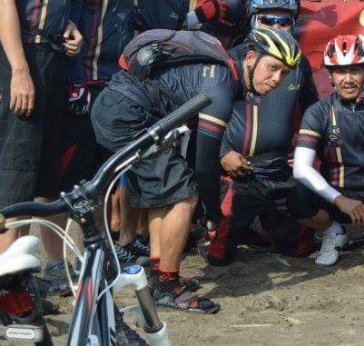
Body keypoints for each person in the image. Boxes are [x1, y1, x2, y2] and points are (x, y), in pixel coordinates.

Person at [91, 27, 302, 313]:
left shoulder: (222, 74)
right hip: (127, 114)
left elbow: (200, 156)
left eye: (285, 74)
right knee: (184, 196)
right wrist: (212, 214)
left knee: (167, 193)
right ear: (251, 58)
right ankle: (167, 286)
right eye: (273, 67)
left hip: (119, 107)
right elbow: (206, 162)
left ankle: (158, 273)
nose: (277, 79)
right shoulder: (222, 86)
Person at [0, 0, 92, 258]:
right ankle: (6, 286)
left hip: (52, 57)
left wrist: (67, 27)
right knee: (15, 173)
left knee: (45, 175)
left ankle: (28, 273)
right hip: (22, 57)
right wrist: (19, 69)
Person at [205, 0, 319, 267]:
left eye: (284, 21)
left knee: (301, 249)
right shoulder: (232, 59)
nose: (277, 26)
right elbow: (200, 119)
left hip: (280, 171)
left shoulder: (299, 64)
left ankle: (258, 224)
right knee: (219, 258)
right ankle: (240, 224)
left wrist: (305, 150)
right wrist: (222, 154)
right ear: (254, 20)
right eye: (268, 19)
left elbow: (314, 112)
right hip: (239, 173)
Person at [66, 0, 156, 193]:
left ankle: (103, 242)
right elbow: (71, 24)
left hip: (114, 83)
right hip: (86, 84)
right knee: (75, 177)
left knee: (108, 178)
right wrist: (76, 83)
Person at [291, 35, 364, 266]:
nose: (347, 79)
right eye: (340, 72)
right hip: (338, 197)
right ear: (330, 76)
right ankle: (333, 232)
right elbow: (301, 168)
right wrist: (340, 201)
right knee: (297, 197)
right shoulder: (318, 112)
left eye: (354, 70)